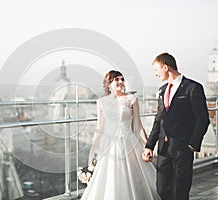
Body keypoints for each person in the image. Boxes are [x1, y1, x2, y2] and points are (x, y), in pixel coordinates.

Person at [81, 70, 160, 200]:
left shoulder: (131, 99)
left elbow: (138, 126)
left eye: (122, 79)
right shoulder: (101, 102)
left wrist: (148, 146)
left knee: (133, 175)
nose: (120, 82)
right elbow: (99, 128)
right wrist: (93, 148)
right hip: (108, 145)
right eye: (116, 79)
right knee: (110, 177)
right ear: (109, 83)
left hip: (128, 142)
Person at [142, 53, 210, 200]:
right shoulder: (162, 90)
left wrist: (192, 144)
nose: (155, 74)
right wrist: (149, 146)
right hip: (163, 150)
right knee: (161, 190)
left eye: (156, 70)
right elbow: (158, 120)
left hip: (183, 148)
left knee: (180, 192)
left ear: (165, 67)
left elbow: (203, 119)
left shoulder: (193, 88)